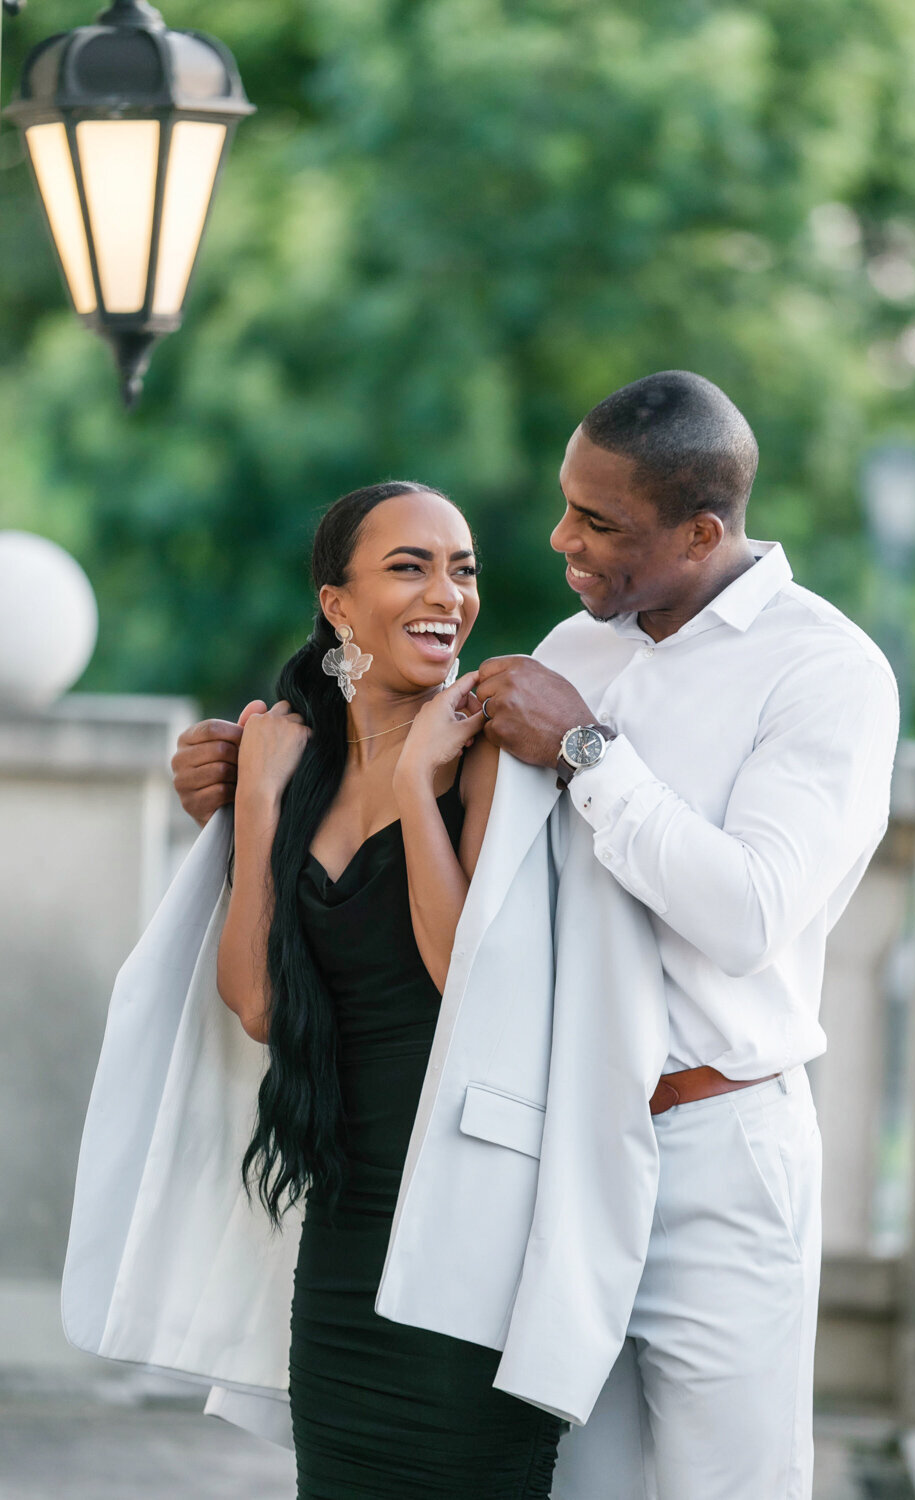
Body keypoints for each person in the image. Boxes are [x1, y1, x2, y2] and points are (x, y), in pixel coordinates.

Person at [172, 371, 900, 1499]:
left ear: (700, 532)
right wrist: (250, 764)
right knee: (567, 1483)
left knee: (731, 1487)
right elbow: (402, 731)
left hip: (717, 1145)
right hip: (559, 1154)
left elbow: (750, 913)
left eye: (598, 523)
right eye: (567, 504)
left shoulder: (826, 672)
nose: (561, 538)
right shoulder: (578, 641)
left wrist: (592, 754)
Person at [212, 477, 564, 1497]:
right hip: (347, 1221)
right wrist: (259, 802)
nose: (446, 594)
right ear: (336, 603)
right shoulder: (302, 763)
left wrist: (415, 783)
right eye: (409, 566)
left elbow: (466, 978)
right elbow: (260, 1005)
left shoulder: (489, 748)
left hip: (469, 1218)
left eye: (462, 569)